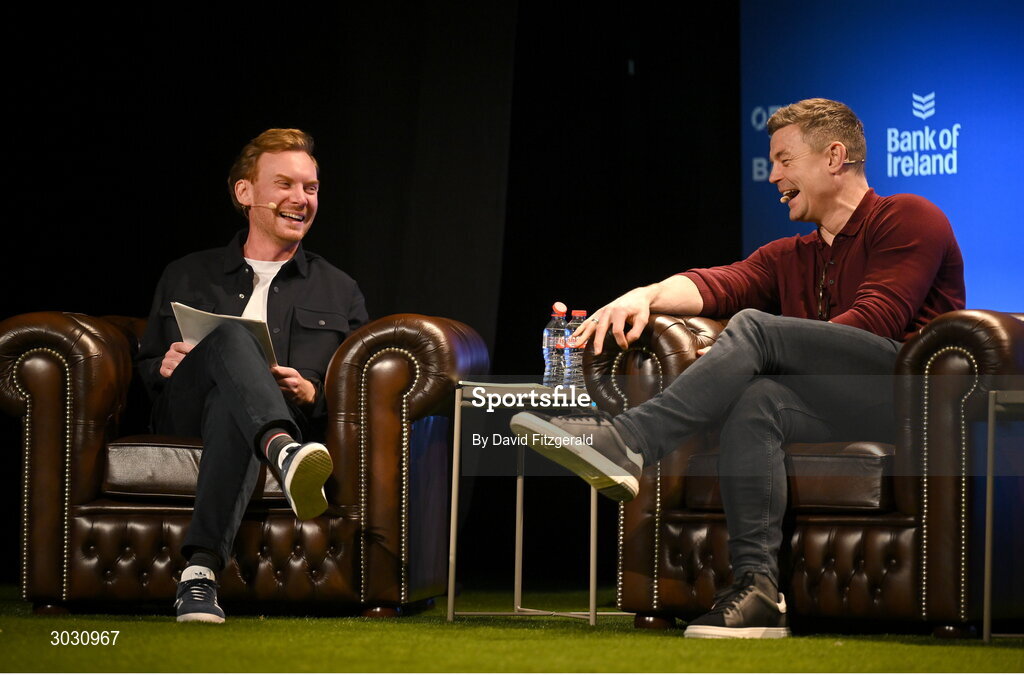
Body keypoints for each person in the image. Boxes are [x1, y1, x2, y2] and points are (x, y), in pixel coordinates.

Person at [510, 98, 965, 638]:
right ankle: (758, 591)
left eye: (784, 160)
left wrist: (756, 349)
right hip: (838, 405)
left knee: (750, 329)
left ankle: (628, 441)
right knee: (757, 403)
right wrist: (645, 295)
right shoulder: (788, 254)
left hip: (908, 400)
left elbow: (876, 321)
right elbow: (713, 283)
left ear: (834, 157)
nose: (772, 175)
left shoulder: (910, 216)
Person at [137, 128, 368, 623]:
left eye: (310, 187)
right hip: (186, 411)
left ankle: (199, 575)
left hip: (277, 415)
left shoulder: (339, 289)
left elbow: (357, 385)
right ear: (245, 193)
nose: (300, 199)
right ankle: (285, 454)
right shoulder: (187, 274)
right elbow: (148, 367)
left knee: (232, 405)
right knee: (227, 338)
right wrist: (167, 366)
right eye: (284, 184)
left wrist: (313, 392)